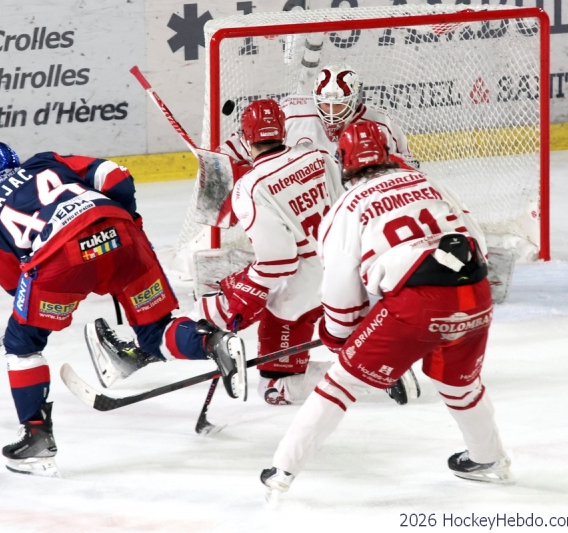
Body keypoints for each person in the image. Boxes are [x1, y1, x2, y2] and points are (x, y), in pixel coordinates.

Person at [260, 120, 511, 498]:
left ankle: (282, 471)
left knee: (341, 382)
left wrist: (339, 335)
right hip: (475, 291)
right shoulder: (428, 182)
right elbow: (477, 240)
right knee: (459, 383)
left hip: (416, 304)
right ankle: (490, 459)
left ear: (344, 161)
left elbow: (341, 288)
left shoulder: (346, 207)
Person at [0, 142, 246, 476]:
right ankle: (214, 343)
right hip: (122, 235)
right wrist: (128, 220)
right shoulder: (45, 161)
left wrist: (31, 319)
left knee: (22, 343)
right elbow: (116, 176)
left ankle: (36, 437)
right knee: (155, 333)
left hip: (62, 262)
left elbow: (18, 289)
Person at [194, 99, 414, 406]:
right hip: (348, 275)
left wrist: (245, 285)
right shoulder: (319, 156)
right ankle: (378, 366)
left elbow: (278, 261)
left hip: (301, 295)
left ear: (246, 139)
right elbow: (348, 210)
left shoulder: (250, 187)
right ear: (283, 129)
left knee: (275, 386)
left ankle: (370, 376)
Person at [220, 64, 419, 169]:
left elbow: (412, 165)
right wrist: (221, 159)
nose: (331, 113)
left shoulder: (381, 123)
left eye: (339, 106)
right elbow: (246, 142)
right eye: (325, 105)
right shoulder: (292, 111)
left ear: (355, 100)